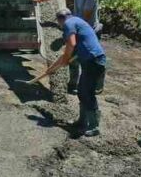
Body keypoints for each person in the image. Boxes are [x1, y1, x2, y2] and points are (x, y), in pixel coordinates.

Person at [42, 7, 107, 137]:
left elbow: (70, 44)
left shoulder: (68, 24)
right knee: (82, 91)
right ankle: (82, 121)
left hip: (93, 62)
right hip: (94, 61)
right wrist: (52, 69)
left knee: (87, 93)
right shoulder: (77, 21)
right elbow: (66, 54)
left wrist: (66, 59)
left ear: (60, 20)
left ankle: (94, 126)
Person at [33, 0, 101, 94]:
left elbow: (84, 20)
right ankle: (73, 85)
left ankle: (94, 86)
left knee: (89, 59)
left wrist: (70, 29)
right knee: (73, 60)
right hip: (77, 26)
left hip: (88, 30)